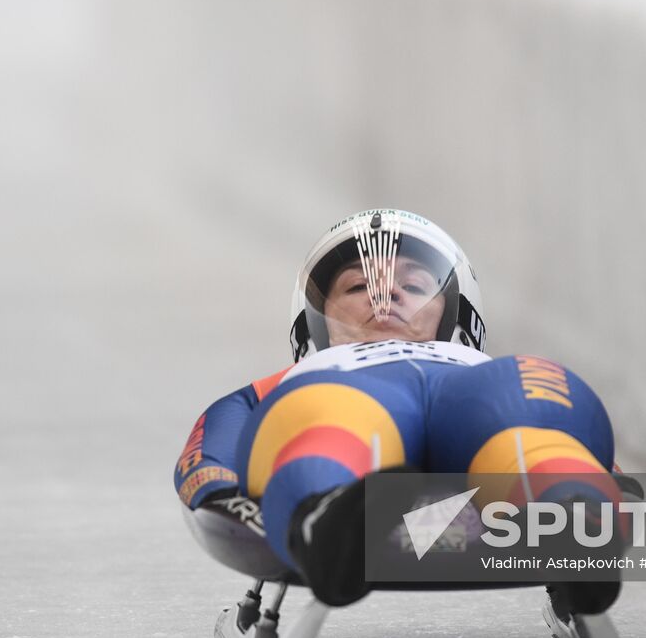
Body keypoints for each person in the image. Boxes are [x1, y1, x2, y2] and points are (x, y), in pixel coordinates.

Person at [174, 209, 621, 610]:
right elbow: (209, 454)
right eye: (357, 286)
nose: (386, 297)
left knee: (526, 394)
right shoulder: (291, 384)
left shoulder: (480, 368)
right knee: (328, 413)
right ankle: (334, 517)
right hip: (348, 389)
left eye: (413, 285)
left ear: (453, 312)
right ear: (318, 317)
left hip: (473, 391)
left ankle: (571, 513)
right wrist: (227, 501)